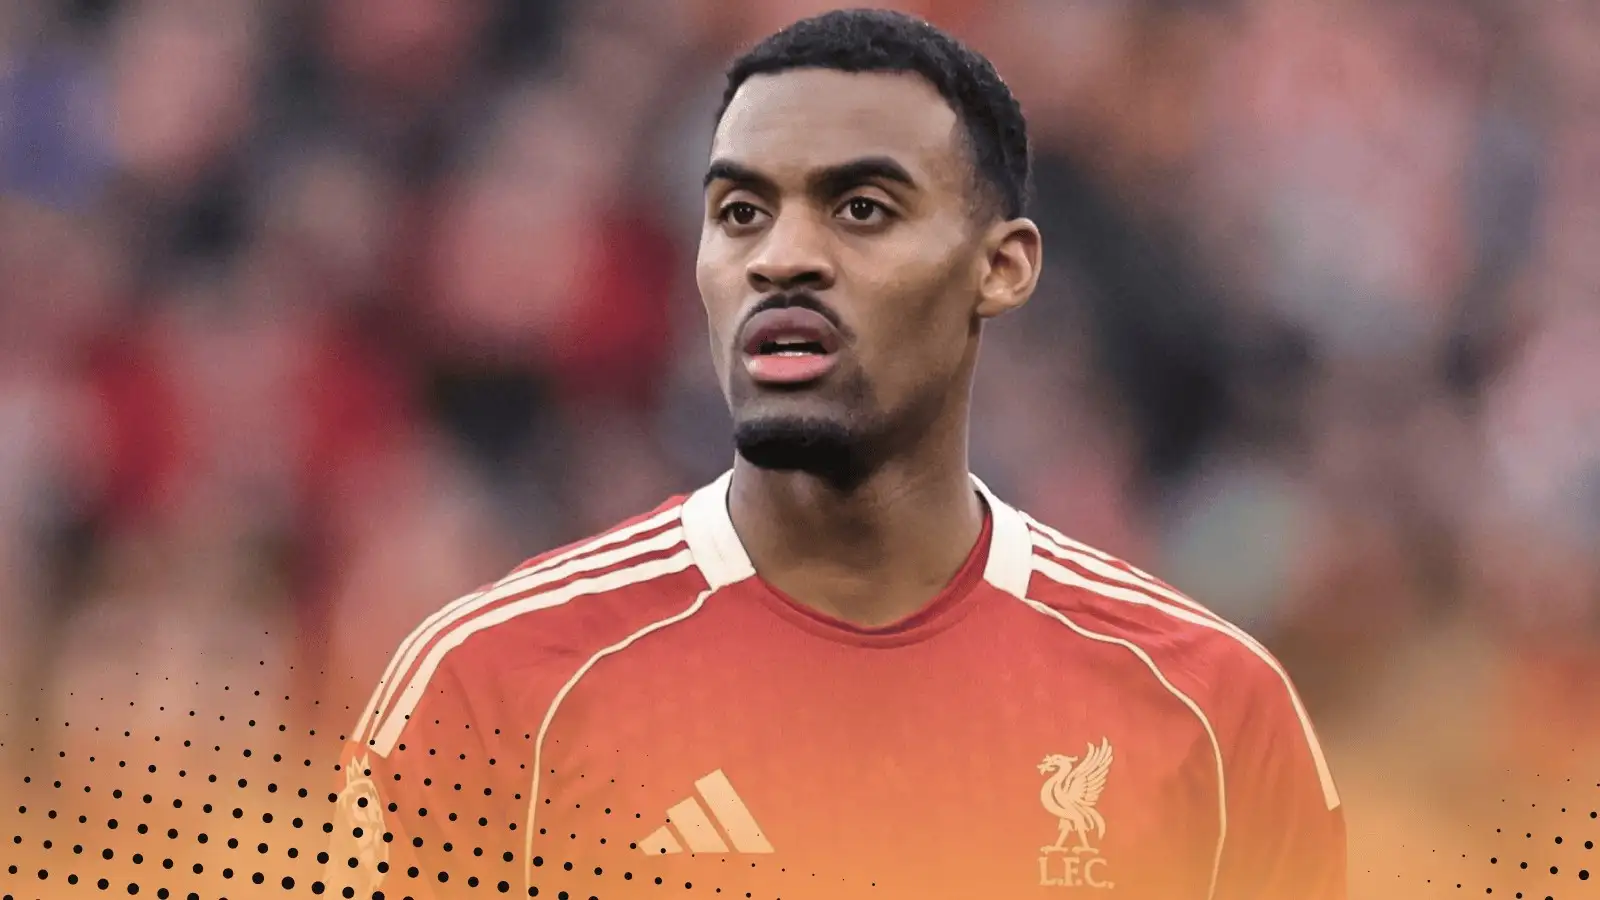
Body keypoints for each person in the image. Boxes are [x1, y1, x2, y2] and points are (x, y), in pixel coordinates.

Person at [324, 9, 1347, 899]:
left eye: (862, 210)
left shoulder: (1210, 712)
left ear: (1000, 268)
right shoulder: (494, 689)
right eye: (740, 213)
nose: (783, 258)